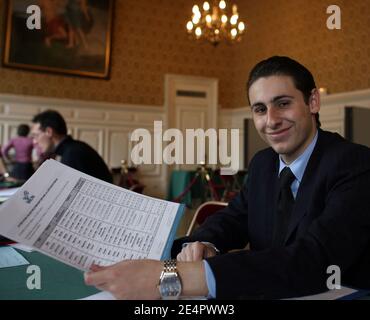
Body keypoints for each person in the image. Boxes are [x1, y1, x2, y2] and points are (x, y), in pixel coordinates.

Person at [84, 56, 370, 300]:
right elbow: (233, 219)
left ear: (312, 101)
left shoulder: (355, 164)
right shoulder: (262, 163)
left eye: (282, 104)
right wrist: (204, 245)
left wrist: (174, 277)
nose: (270, 120)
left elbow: (315, 260)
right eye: (260, 109)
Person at [31, 110, 113, 183]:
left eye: (36, 135)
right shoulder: (73, 148)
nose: (35, 141)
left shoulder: (72, 153)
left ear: (49, 132)